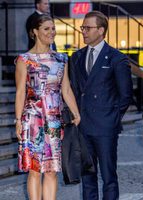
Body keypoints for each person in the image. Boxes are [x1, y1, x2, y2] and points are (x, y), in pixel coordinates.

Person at [15, 14, 80, 200]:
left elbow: (66, 89)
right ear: (35, 32)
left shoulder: (61, 59)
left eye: (53, 28)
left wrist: (76, 113)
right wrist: (18, 120)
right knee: (34, 169)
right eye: (46, 29)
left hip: (54, 120)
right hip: (31, 120)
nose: (52, 32)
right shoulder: (24, 59)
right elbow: (20, 92)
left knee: (51, 170)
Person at [69, 11, 133, 200]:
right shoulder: (77, 57)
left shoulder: (116, 58)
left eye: (88, 28)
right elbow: (72, 90)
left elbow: (125, 95)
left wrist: (111, 119)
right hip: (83, 127)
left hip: (105, 128)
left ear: (101, 30)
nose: (84, 31)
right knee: (87, 178)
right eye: (83, 27)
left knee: (108, 177)